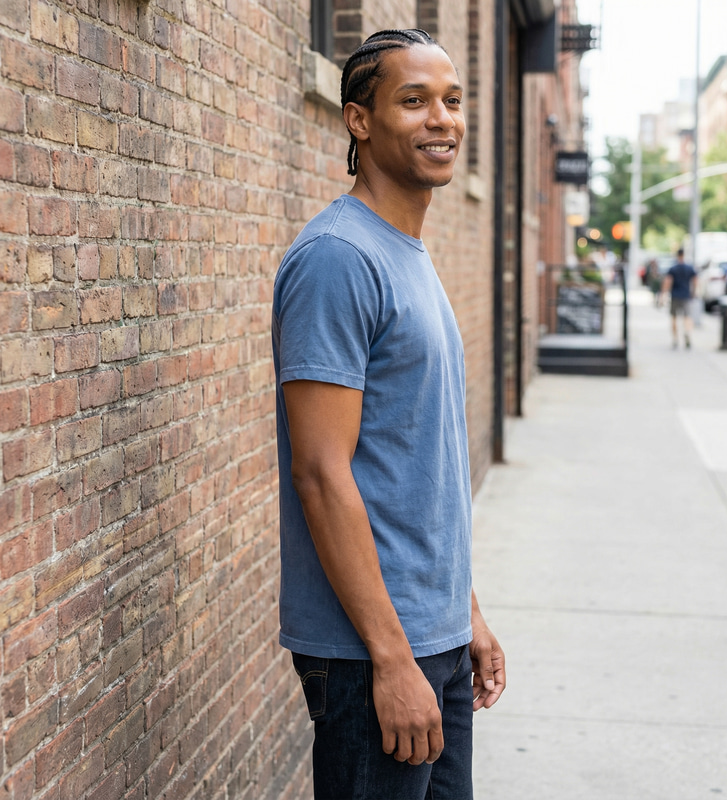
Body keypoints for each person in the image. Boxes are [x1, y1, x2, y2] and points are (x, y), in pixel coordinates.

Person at [271, 29, 506, 800]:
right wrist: (393, 658)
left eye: (452, 100)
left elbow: (418, 461)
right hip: (372, 654)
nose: (442, 119)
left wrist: (461, 608)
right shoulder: (339, 258)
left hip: (430, 637)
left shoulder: (407, 253)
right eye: (414, 100)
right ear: (359, 121)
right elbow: (320, 472)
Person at [661, 247, 697, 349]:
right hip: (686, 295)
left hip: (675, 295)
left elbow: (668, 282)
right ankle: (687, 332)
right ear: (684, 255)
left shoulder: (673, 269)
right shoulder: (689, 268)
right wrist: (693, 292)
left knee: (674, 318)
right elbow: (695, 280)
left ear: (677, 255)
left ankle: (675, 338)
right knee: (687, 317)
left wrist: (663, 294)